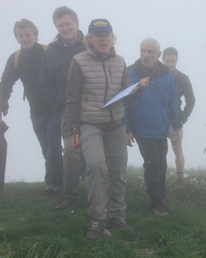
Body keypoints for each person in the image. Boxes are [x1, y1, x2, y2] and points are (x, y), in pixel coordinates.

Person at [65, 19, 148, 240]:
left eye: (106, 35)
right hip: (89, 124)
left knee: (118, 172)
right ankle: (97, 219)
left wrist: (138, 88)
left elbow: (126, 93)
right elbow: (71, 98)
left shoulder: (120, 62)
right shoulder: (78, 61)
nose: (103, 39)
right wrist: (74, 129)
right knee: (95, 166)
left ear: (112, 38)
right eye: (98, 35)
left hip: (116, 125)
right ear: (89, 39)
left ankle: (117, 217)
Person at [0, 19, 63, 193]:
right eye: (20, 35)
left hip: (55, 108)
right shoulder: (15, 58)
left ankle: (53, 183)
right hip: (35, 111)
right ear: (16, 37)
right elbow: (5, 83)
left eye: (28, 34)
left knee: (52, 143)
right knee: (46, 148)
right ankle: (61, 177)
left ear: (36, 35)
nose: (24, 38)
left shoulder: (47, 52)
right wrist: (2, 102)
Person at [124, 38, 181, 217]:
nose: (146, 55)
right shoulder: (131, 73)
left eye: (150, 52)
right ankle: (156, 202)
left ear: (158, 54)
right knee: (152, 163)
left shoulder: (167, 76)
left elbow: (173, 102)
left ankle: (161, 196)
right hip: (141, 128)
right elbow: (123, 102)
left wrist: (177, 126)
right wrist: (127, 128)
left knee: (162, 164)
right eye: (143, 51)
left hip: (161, 129)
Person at [38, 6, 86, 209]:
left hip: (93, 107)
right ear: (56, 28)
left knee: (97, 151)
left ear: (76, 23)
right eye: (61, 25)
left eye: (68, 23)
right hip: (67, 110)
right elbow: (43, 83)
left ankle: (103, 192)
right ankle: (71, 195)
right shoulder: (52, 51)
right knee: (71, 150)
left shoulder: (89, 45)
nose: (65, 28)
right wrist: (58, 104)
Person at [162, 47, 195, 186]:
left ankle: (180, 180)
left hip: (175, 118)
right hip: (157, 117)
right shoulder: (156, 75)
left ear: (177, 61)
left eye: (172, 61)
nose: (170, 64)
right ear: (162, 59)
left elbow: (191, 100)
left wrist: (183, 118)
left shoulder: (182, 78)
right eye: (167, 61)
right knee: (156, 150)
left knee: (177, 149)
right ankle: (152, 179)